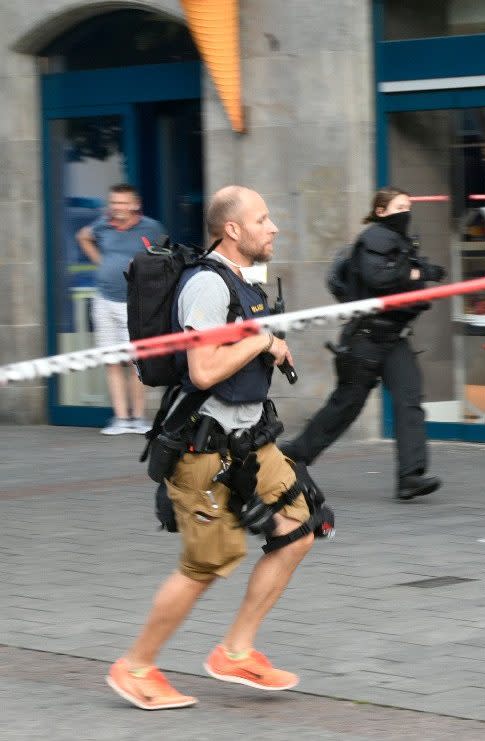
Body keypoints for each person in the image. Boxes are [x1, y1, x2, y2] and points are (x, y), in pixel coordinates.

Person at [107, 186, 324, 710]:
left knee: (300, 527)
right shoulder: (206, 285)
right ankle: (135, 668)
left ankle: (236, 650)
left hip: (251, 440)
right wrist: (259, 341)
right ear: (233, 230)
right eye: (263, 219)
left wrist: (263, 346)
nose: (272, 228)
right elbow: (203, 370)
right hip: (203, 451)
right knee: (206, 564)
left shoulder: (238, 282)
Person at [282, 187, 446, 500]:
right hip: (366, 339)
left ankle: (411, 476)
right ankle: (295, 455)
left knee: (409, 400)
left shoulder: (400, 243)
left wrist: (418, 271)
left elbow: (413, 276)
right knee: (346, 405)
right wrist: (415, 272)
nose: (406, 212)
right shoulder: (374, 238)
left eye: (408, 206)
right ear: (381, 211)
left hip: (394, 338)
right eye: (399, 206)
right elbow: (379, 278)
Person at [77, 183, 166, 435]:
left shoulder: (150, 227)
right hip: (104, 300)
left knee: (136, 361)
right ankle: (120, 418)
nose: (117, 208)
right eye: (114, 202)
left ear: (134, 204)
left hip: (134, 303)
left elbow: (164, 256)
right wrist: (101, 261)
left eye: (122, 203)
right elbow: (83, 236)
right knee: (112, 361)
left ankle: (138, 418)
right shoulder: (102, 224)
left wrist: (144, 268)